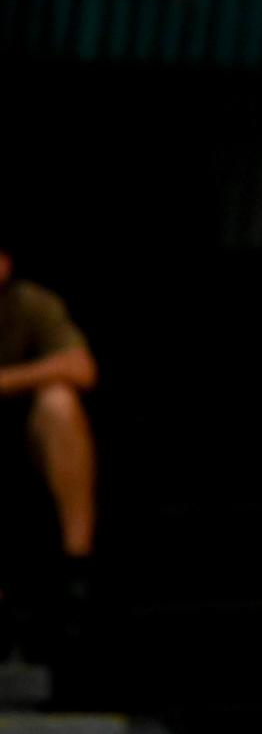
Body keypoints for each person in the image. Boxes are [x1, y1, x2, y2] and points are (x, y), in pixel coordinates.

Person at [0, 243, 98, 657]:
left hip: (19, 433)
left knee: (59, 402)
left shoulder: (27, 304)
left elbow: (81, 368)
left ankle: (78, 570)